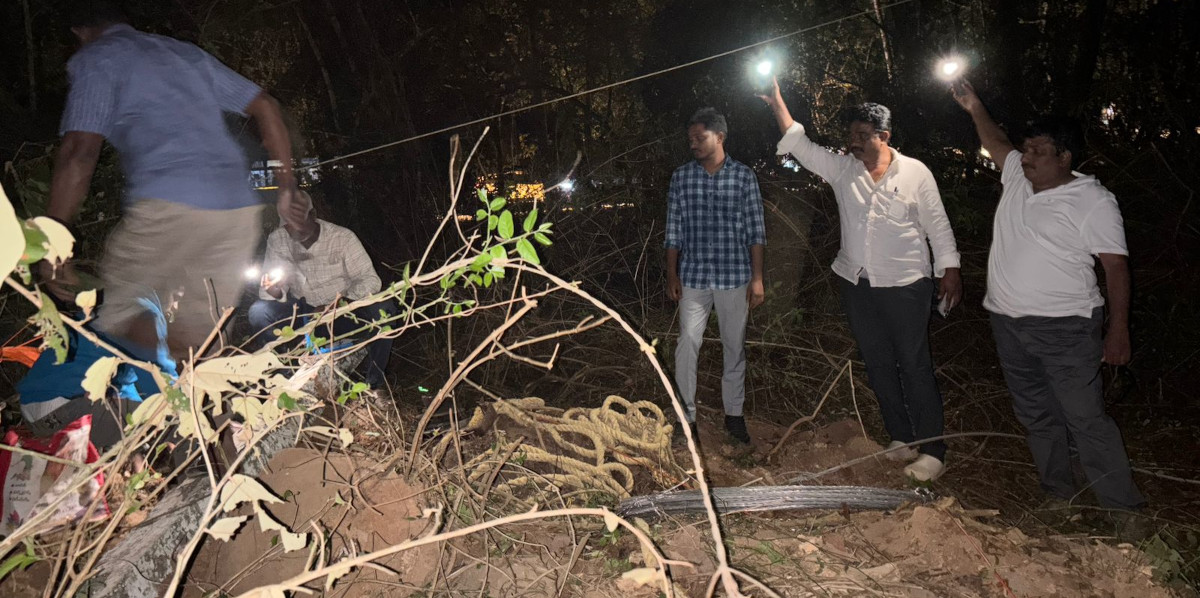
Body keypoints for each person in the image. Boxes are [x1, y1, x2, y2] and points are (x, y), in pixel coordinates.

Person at [41, 0, 309, 364]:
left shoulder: (98, 57)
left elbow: (79, 152)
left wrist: (54, 240)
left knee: (116, 325)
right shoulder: (183, 53)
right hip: (236, 212)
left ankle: (131, 389)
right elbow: (266, 106)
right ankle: (194, 393)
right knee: (200, 342)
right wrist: (287, 187)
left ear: (79, 32)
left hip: (170, 206)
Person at [951, 80, 1147, 531]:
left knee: (1085, 418)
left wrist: (1119, 330)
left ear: (1064, 158)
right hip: (1008, 324)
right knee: (1037, 415)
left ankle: (1123, 510)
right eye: (1027, 148)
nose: (1027, 156)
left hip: (1067, 328)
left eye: (1039, 150)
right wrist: (975, 106)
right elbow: (996, 142)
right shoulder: (1017, 177)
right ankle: (1059, 494)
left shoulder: (1093, 200)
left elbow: (1116, 268)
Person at [761, 79, 962, 482]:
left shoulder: (915, 173)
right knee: (878, 362)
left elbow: (937, 225)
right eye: (851, 134)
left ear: (883, 136)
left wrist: (950, 270)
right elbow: (801, 145)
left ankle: (933, 450)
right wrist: (777, 102)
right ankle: (900, 438)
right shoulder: (843, 170)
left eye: (862, 134)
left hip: (907, 284)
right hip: (857, 283)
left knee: (915, 365)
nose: (853, 141)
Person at [665, 107, 767, 444]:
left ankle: (734, 416)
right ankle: (686, 417)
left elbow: (755, 230)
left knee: (734, 347)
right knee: (687, 343)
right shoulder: (681, 177)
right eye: (690, 139)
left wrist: (757, 278)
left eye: (700, 137)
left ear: (719, 137)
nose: (693, 144)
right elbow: (673, 230)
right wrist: (672, 274)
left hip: (734, 275)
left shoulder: (743, 177)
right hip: (693, 276)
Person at [248, 195, 395, 388]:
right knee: (259, 311)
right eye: (290, 226)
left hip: (343, 312)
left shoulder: (342, 238)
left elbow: (370, 280)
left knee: (384, 309)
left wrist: (338, 304)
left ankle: (374, 383)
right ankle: (286, 377)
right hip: (304, 315)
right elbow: (269, 292)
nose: (296, 231)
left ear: (313, 215)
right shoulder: (278, 240)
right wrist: (275, 291)